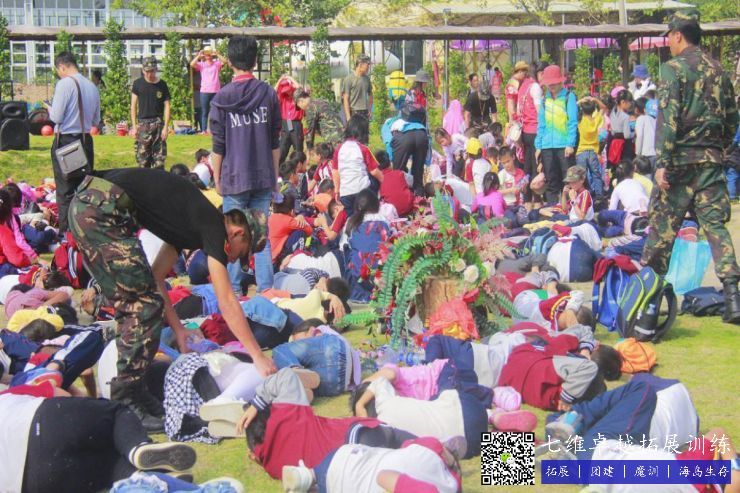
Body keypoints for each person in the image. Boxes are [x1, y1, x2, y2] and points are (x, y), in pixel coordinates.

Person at [68, 167, 277, 430]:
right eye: (242, 253)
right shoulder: (214, 228)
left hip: (92, 206)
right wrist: (257, 356)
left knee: (140, 300)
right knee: (142, 306)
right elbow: (226, 300)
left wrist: (179, 330)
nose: (235, 260)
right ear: (237, 233)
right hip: (100, 209)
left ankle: (136, 392)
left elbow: (156, 279)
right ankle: (126, 399)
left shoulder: (191, 222)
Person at [642, 10, 740, 324]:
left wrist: (662, 163)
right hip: (710, 162)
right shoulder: (719, 69)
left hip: (679, 164)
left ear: (678, 35)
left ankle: (648, 305)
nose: (668, 43)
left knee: (662, 231)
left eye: (669, 37)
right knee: (715, 228)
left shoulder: (672, 69)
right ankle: (733, 299)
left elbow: (668, 120)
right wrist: (719, 149)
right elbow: (732, 119)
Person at [0, 382, 198, 493]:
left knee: (107, 470)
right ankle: (136, 446)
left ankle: (155, 479)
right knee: (116, 413)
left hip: (31, 483)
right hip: (37, 420)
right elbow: (58, 392)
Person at [209, 35, 281, 295]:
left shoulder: (221, 98)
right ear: (255, 60)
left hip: (234, 177)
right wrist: (274, 177)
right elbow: (275, 141)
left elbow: (218, 146)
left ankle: (233, 293)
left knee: (234, 236)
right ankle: (266, 291)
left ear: (229, 62)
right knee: (260, 237)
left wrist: (217, 178)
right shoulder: (268, 94)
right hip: (262, 176)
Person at [281, 438, 462, 493]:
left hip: (347, 459)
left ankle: (307, 476)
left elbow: (383, 476)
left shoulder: (431, 449)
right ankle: (309, 481)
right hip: (339, 482)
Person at [48, 51, 100, 234]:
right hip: (85, 140)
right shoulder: (92, 86)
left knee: (65, 190)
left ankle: (67, 234)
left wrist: (49, 109)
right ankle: (85, 229)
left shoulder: (64, 84)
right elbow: (96, 121)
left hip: (67, 142)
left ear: (62, 67)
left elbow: (56, 117)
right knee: (83, 188)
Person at [535, 65, 578, 204]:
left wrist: (570, 144)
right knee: (551, 181)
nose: (551, 86)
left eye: (554, 83)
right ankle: (553, 210)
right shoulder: (544, 100)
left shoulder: (568, 97)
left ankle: (570, 209)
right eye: (549, 83)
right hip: (547, 146)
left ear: (560, 81)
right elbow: (541, 124)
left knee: (568, 180)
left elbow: (572, 122)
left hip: (564, 145)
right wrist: (538, 146)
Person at [332, 115, 383, 216]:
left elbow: (335, 171)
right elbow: (374, 171)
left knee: (351, 218)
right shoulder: (363, 148)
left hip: (345, 193)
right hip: (362, 192)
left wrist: (337, 190)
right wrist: (385, 181)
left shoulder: (339, 148)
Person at [129, 57, 171, 169]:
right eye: (147, 71)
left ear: (156, 69)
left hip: (158, 125)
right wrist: (134, 126)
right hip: (143, 125)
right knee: (143, 162)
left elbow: (167, 106)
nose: (149, 74)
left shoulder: (162, 85)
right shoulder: (137, 84)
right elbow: (133, 106)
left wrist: (166, 127)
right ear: (143, 70)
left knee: (159, 163)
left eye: (152, 71)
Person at [516, 61, 545, 208]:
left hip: (525, 132)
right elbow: (540, 112)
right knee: (536, 168)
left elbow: (518, 111)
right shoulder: (535, 87)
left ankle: (527, 202)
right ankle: (537, 203)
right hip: (535, 132)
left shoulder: (523, 87)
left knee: (526, 168)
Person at [190, 46, 226, 134]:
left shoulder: (216, 64)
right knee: (204, 111)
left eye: (209, 54)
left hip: (215, 91)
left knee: (216, 111)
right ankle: (204, 130)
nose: (208, 56)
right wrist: (199, 56)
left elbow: (225, 61)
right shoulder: (202, 65)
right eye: (206, 54)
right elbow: (192, 64)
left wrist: (217, 54)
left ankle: (216, 129)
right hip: (205, 91)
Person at [576, 97, 605, 198]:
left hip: (581, 151)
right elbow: (603, 108)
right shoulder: (596, 120)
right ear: (593, 110)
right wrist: (595, 99)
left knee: (581, 176)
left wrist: (581, 100)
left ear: (583, 109)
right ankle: (599, 195)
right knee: (596, 174)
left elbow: (572, 107)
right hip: (593, 151)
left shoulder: (580, 120)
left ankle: (584, 195)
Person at [276, 75, 305, 164]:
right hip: (285, 124)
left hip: (295, 124)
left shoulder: (298, 98)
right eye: (286, 90)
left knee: (298, 149)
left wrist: (290, 78)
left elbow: (300, 89)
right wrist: (280, 80)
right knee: (282, 149)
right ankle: (280, 169)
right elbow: (273, 91)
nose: (288, 92)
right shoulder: (283, 98)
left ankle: (299, 167)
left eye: (289, 90)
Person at [377, 150, 414, 217]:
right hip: (409, 208)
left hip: (392, 213)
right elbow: (413, 181)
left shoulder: (377, 180)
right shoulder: (400, 173)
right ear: (390, 163)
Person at [341, 54, 373, 122]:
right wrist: (348, 116)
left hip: (364, 113)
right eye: (367, 64)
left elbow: (370, 94)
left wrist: (370, 109)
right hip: (353, 113)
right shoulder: (349, 79)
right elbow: (345, 99)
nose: (368, 67)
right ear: (360, 64)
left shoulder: (367, 79)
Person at [633, 97, 657, 170]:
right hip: (656, 153)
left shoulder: (641, 119)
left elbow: (639, 136)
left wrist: (638, 153)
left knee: (645, 175)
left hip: (646, 154)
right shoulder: (655, 119)